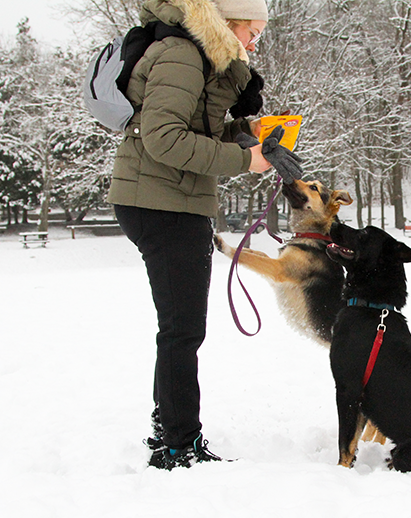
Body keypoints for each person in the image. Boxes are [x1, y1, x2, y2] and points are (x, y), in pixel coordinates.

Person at [108, 0, 292, 470]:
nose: (255, 43)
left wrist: (250, 133)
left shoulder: (197, 58)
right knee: (182, 330)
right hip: (160, 202)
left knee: (180, 328)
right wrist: (244, 161)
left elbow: (197, 129)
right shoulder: (181, 56)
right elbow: (163, 139)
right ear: (227, 26)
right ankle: (178, 446)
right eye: (252, 32)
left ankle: (167, 431)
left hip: (171, 200)